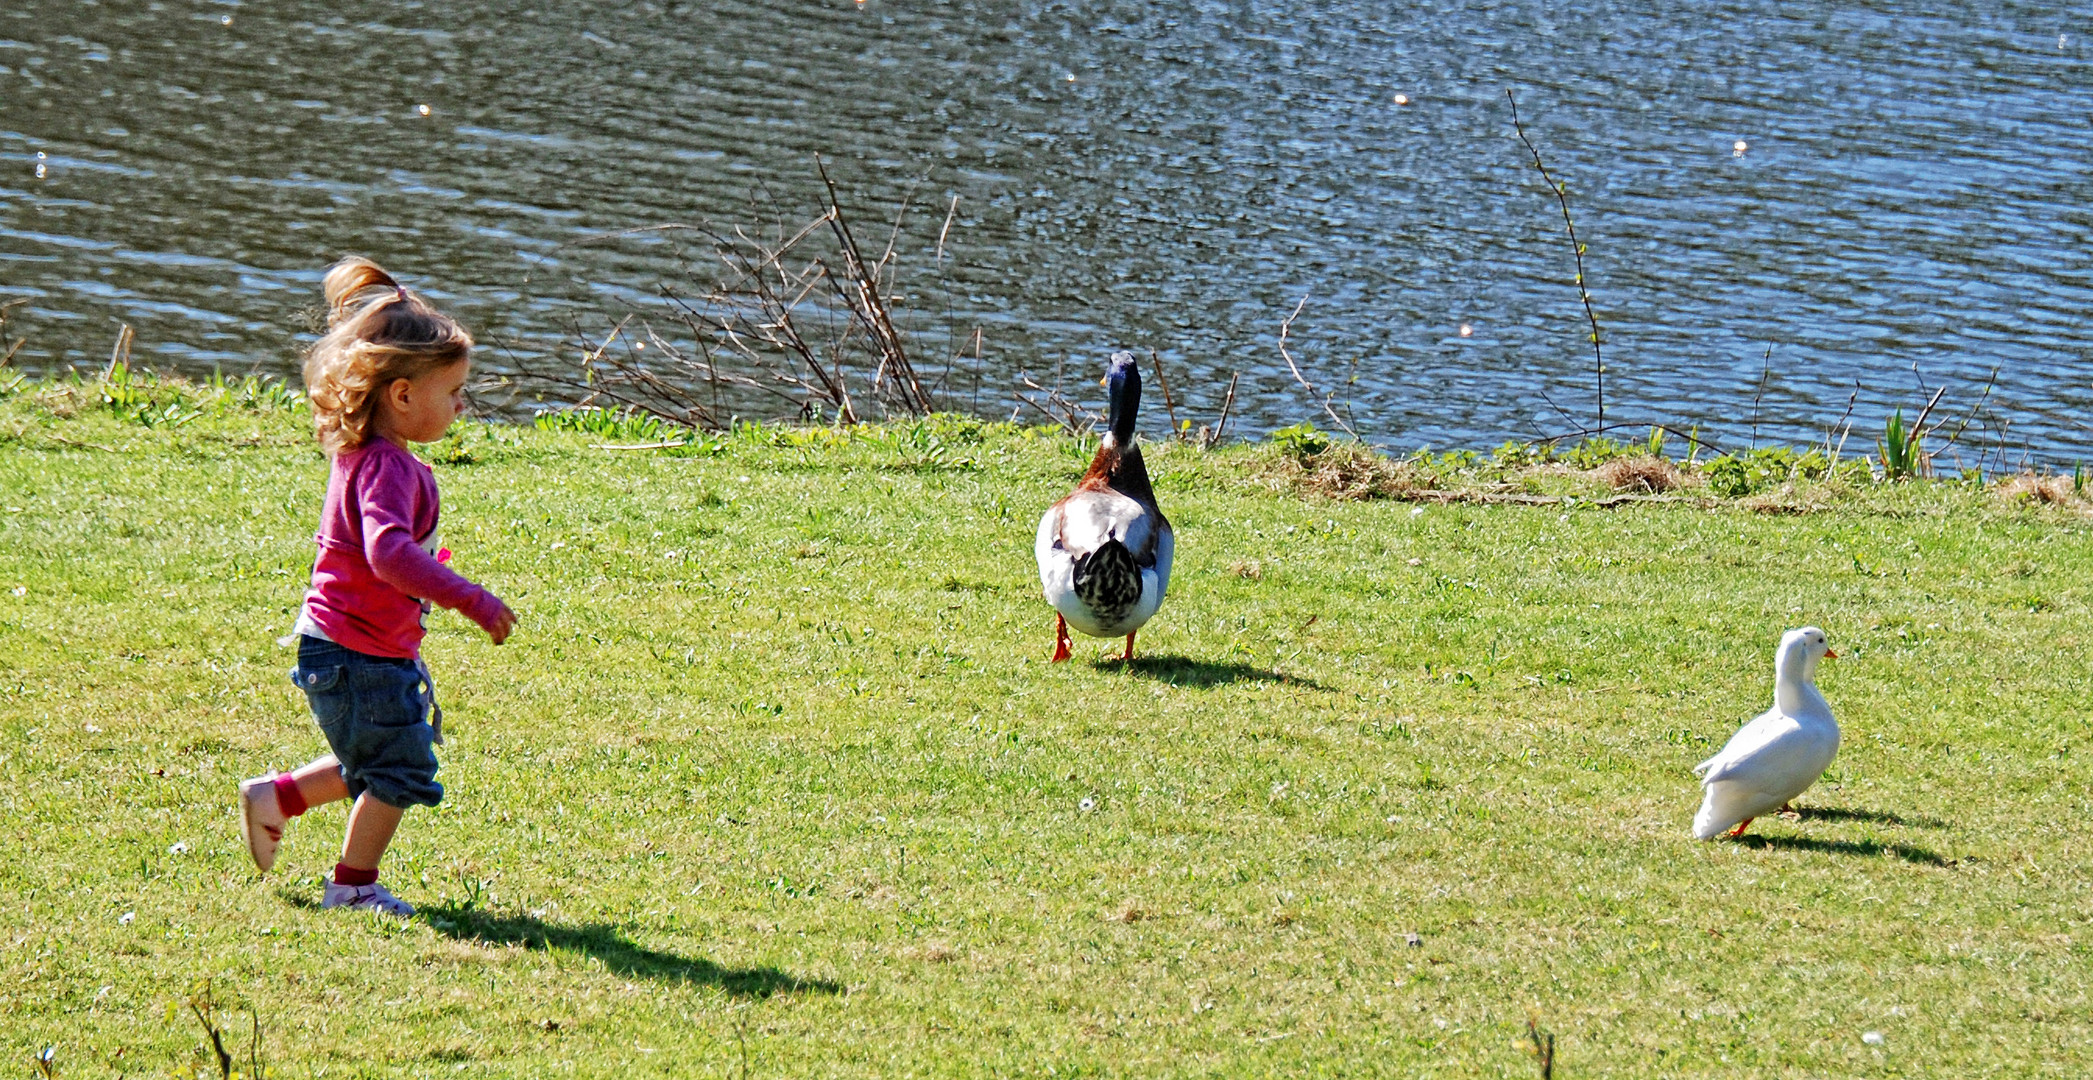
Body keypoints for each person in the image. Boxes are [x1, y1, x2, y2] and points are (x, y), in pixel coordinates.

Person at [236, 257, 516, 917]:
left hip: (352, 644)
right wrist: (466, 595)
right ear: (401, 395)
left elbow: (384, 557)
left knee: (375, 760)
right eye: (452, 391)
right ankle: (353, 883)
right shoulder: (388, 466)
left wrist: (424, 576)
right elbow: (386, 554)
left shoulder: (367, 457)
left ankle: (275, 799)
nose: (460, 405)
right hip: (356, 651)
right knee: (400, 770)